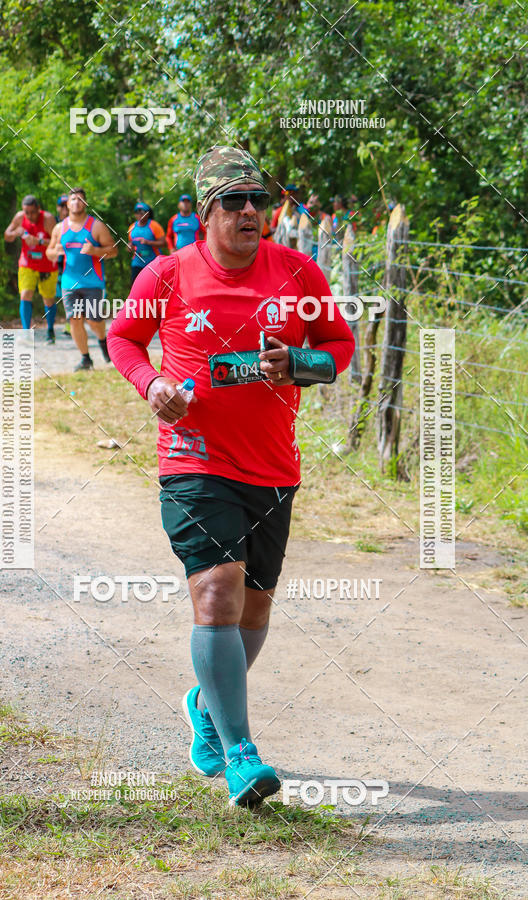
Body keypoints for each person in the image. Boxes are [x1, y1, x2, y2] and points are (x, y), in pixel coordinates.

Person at [108, 146, 354, 808]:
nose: (251, 212)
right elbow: (124, 338)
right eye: (234, 202)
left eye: (260, 201)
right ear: (205, 212)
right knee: (217, 595)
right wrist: (152, 382)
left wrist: (299, 363)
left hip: (273, 465)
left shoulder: (298, 271)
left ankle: (205, 703)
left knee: (254, 608)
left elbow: (341, 348)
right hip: (194, 460)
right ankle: (242, 756)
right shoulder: (165, 273)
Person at [46, 187, 118, 371]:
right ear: (67, 204)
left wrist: (95, 251)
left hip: (93, 282)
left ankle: (103, 341)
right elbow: (49, 252)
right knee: (75, 320)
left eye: (80, 199)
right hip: (69, 283)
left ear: (85, 203)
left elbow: (113, 250)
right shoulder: (59, 228)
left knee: (94, 320)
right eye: (73, 199)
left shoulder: (96, 226)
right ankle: (86, 359)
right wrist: (55, 252)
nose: (76, 202)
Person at [4, 195, 58, 342]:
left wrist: (39, 241)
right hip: (27, 263)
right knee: (25, 294)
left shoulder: (48, 219)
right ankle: (26, 332)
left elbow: (58, 243)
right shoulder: (20, 217)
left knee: (48, 299)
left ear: (38, 209)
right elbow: (7, 235)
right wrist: (16, 233)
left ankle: (50, 330)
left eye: (32, 212)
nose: (29, 216)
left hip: (47, 265)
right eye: (26, 212)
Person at [128, 202, 166, 285]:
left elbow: (163, 243)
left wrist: (148, 242)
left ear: (147, 214)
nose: (139, 214)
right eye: (137, 212)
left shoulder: (154, 226)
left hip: (153, 261)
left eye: (142, 212)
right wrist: (129, 247)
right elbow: (130, 244)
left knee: (153, 286)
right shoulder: (132, 227)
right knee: (135, 286)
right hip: (137, 262)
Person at [54, 195, 72, 337]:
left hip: (72, 265)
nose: (65, 209)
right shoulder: (55, 223)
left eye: (67, 206)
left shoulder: (76, 223)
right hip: (56, 264)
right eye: (62, 206)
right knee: (58, 296)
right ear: (58, 207)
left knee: (70, 295)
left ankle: (70, 324)